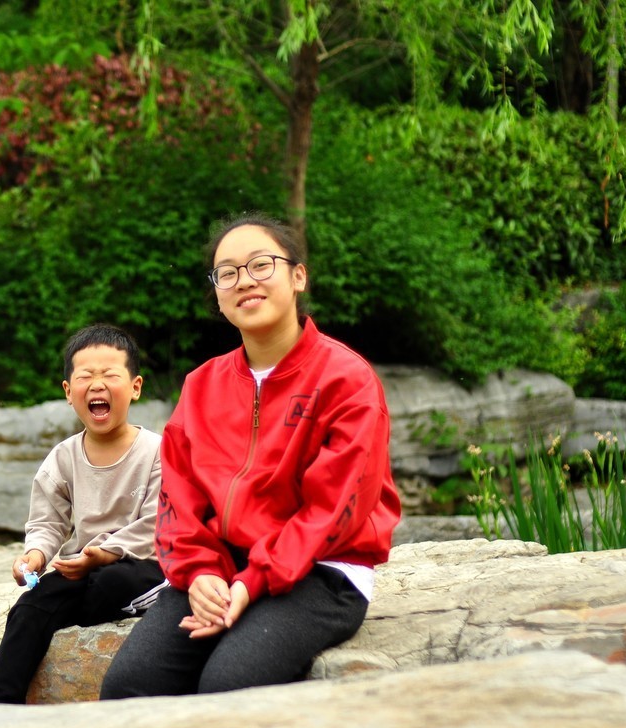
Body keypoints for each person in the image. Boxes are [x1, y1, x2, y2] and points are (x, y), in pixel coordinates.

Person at [100, 212, 401, 699]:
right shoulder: (202, 386)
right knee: (130, 685)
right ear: (218, 294)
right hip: (221, 563)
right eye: (228, 272)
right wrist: (197, 572)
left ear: (298, 276)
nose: (245, 281)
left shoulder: (346, 380)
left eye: (261, 265)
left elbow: (333, 511)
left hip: (321, 571)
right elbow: (178, 500)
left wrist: (252, 581)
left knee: (230, 684)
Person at [0, 323, 166, 704]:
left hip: (142, 563)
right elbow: (47, 522)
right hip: (83, 568)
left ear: (135, 386)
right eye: (85, 376)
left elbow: (159, 522)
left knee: (111, 583)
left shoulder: (156, 451)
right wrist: (35, 555)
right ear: (69, 392)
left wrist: (105, 553)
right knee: (30, 606)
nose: (97, 385)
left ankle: (146, 600)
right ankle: (1, 704)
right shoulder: (63, 457)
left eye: (110, 375)